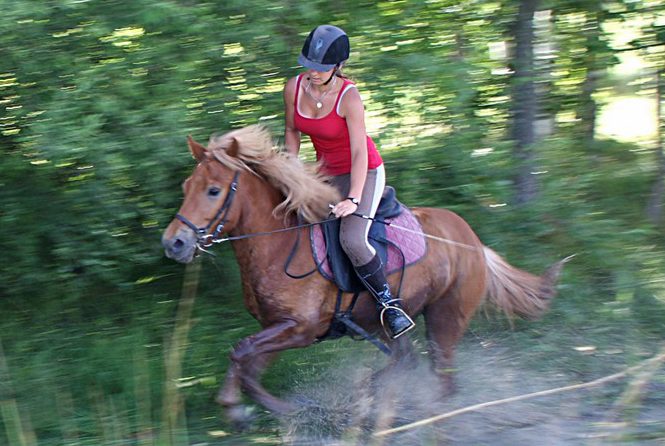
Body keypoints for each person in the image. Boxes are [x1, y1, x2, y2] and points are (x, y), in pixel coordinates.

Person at [283, 24, 414, 339]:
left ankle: (389, 305)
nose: (313, 72)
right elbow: (291, 130)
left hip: (364, 172)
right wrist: (291, 171)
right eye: (309, 66)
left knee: (352, 239)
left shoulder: (349, 97)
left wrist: (353, 199)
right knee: (290, 219)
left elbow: (359, 152)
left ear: (337, 66)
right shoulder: (292, 88)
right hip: (324, 172)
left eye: (322, 67)